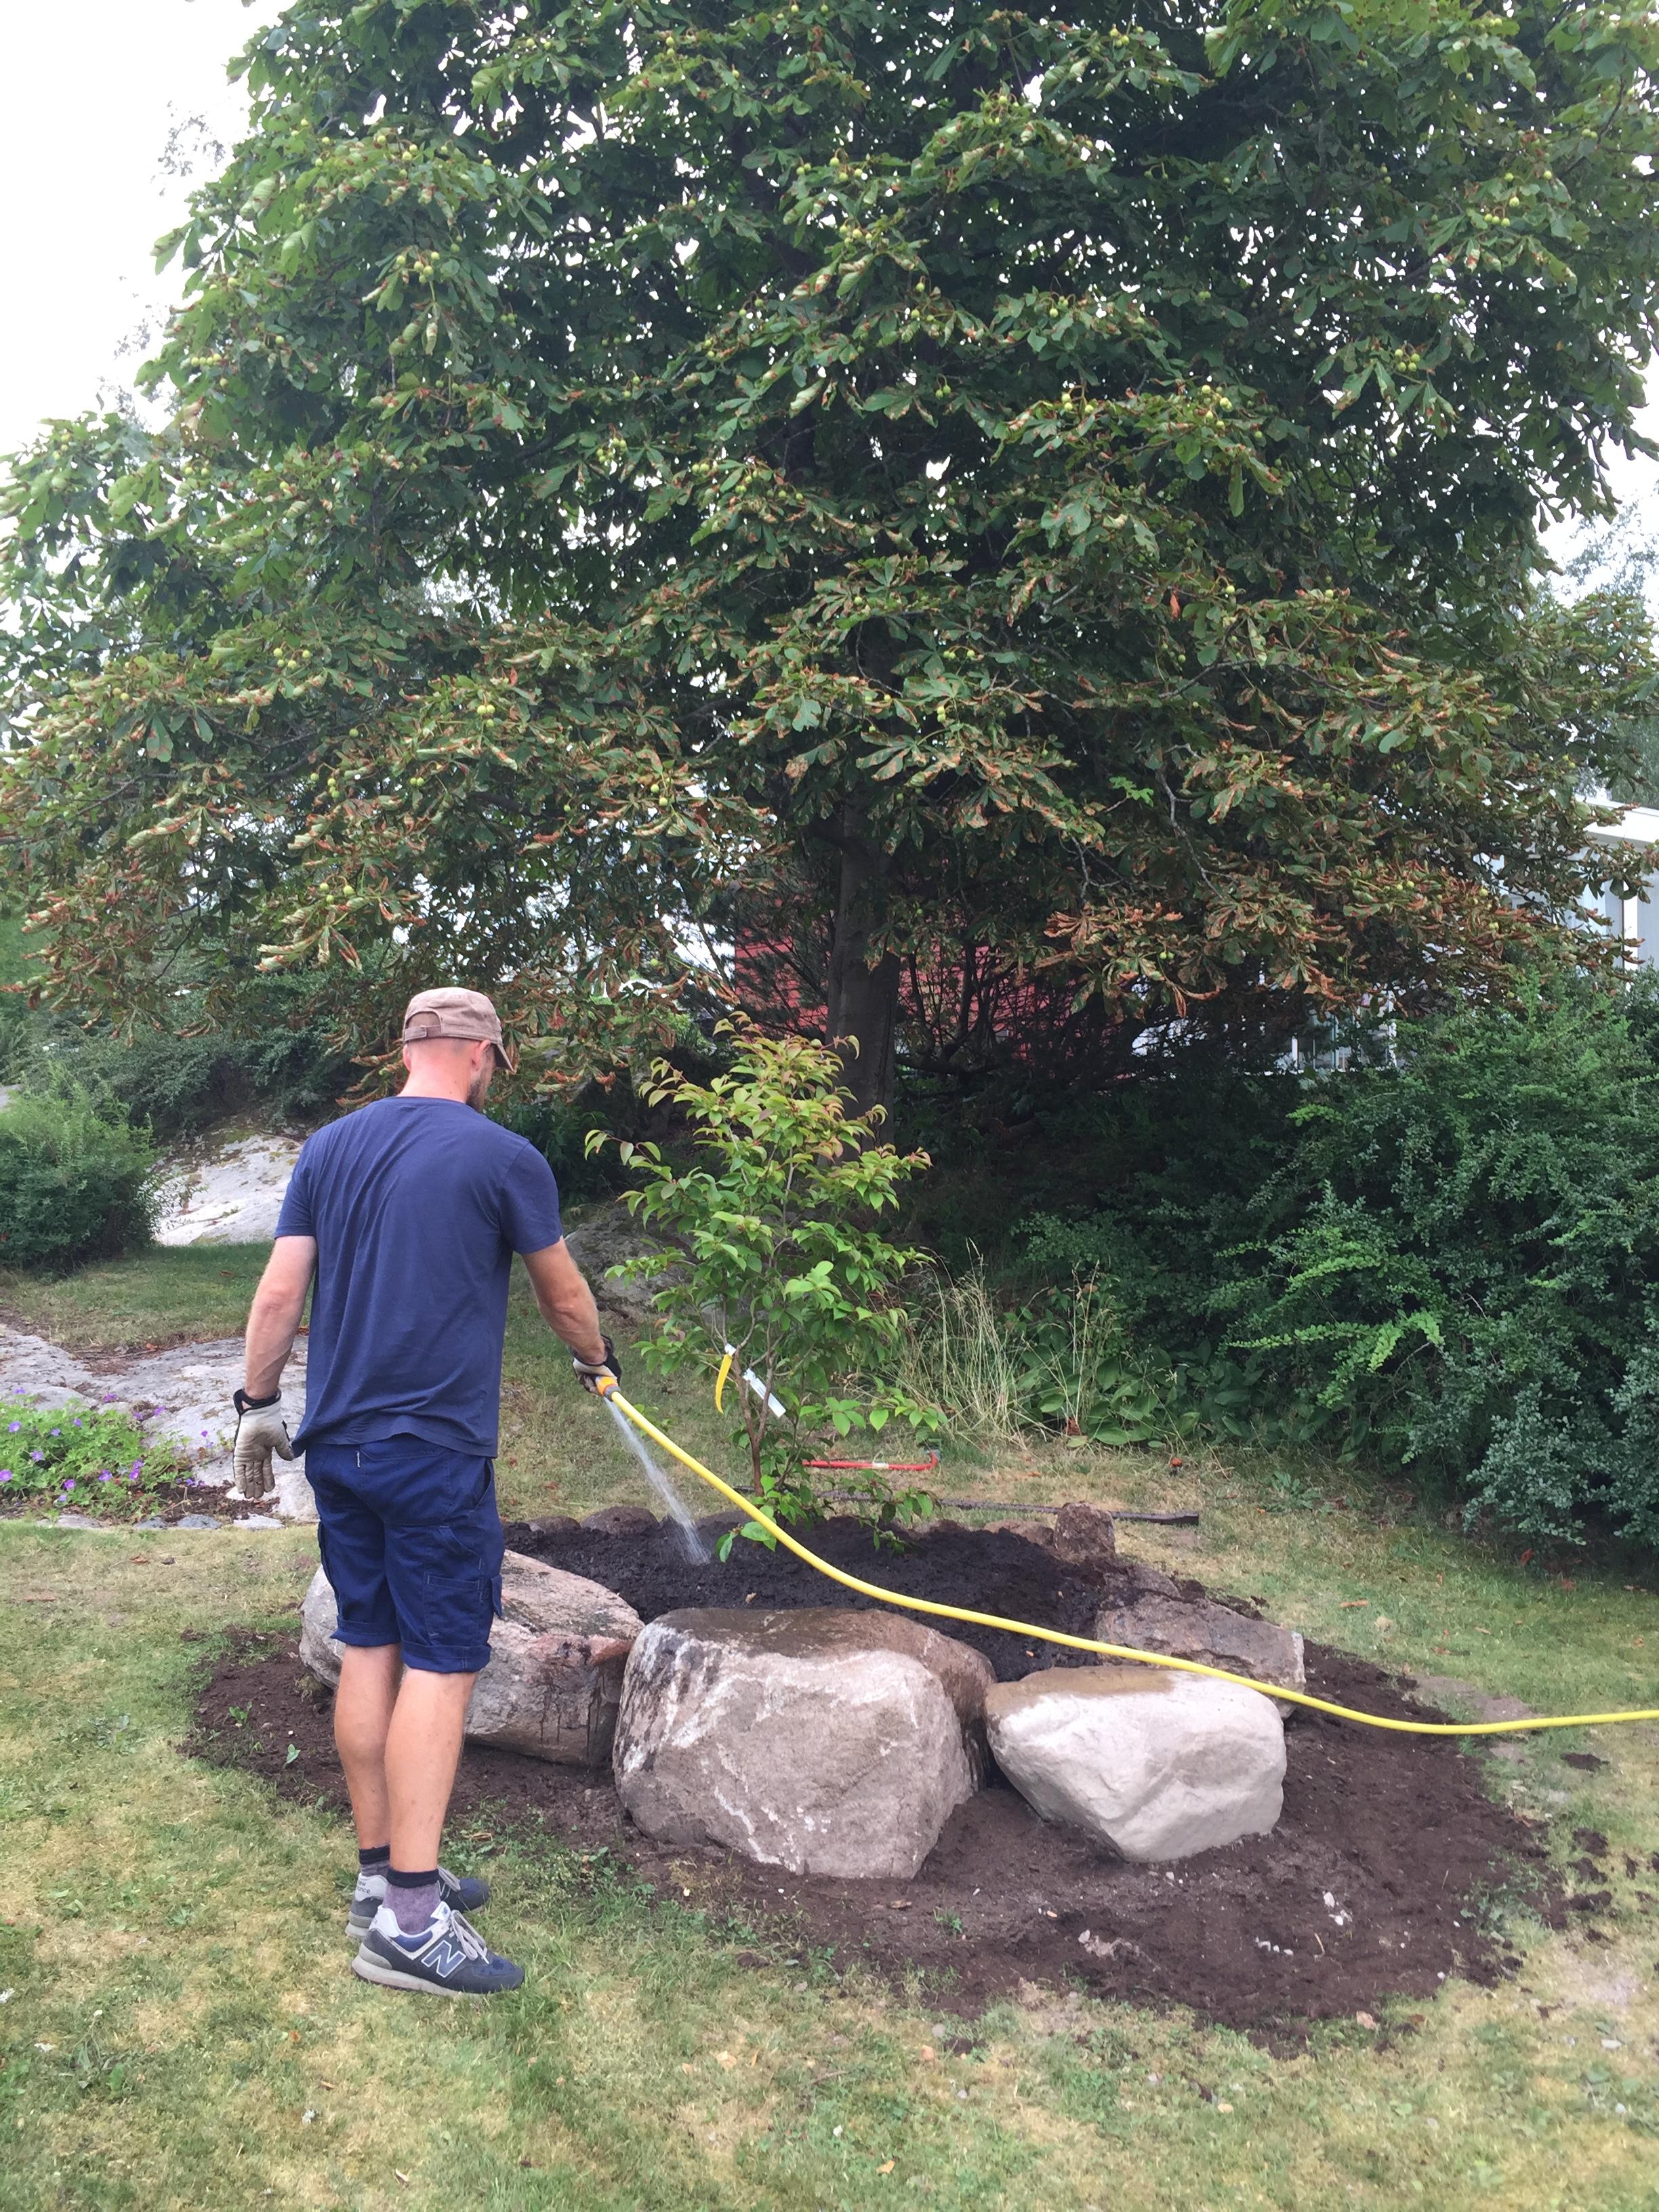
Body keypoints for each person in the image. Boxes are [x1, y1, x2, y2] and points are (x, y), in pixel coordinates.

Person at [230, 986, 619, 1997]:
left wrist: (256, 1405)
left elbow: (279, 1291)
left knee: (370, 1643)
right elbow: (562, 1292)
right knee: (443, 1663)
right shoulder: (504, 1157)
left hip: (340, 1449)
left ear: (408, 1050)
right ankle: (410, 1923)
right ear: (483, 1054)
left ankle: (379, 1879)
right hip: (432, 1456)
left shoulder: (329, 1148)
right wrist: (596, 1362)